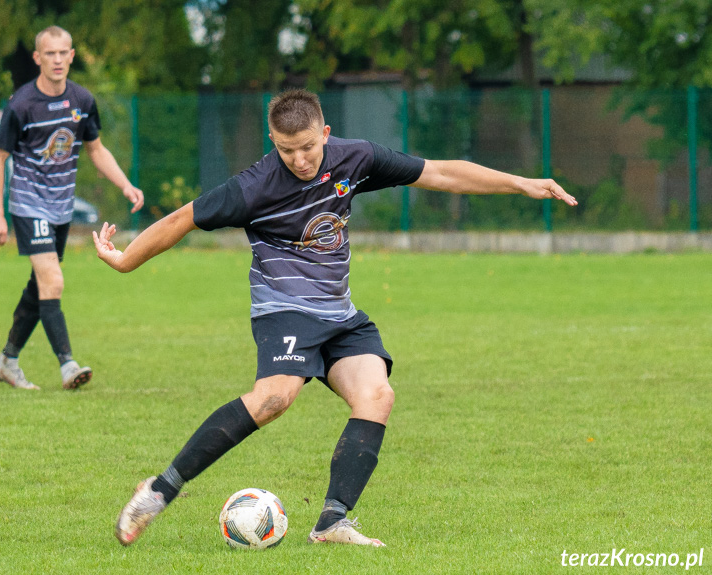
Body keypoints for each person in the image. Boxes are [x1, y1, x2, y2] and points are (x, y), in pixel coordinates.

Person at [93, 89, 577, 546]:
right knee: (274, 399)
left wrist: (520, 184)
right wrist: (125, 259)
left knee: (376, 395)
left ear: (326, 133)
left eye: (307, 147)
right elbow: (182, 219)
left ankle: (332, 521)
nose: (300, 160)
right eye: (287, 151)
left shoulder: (356, 157)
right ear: (273, 142)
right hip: (283, 308)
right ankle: (159, 490)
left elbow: (440, 173)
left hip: (340, 315)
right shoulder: (253, 187)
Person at [0, 25, 144, 390]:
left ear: (72, 56)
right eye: (49, 54)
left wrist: (125, 185)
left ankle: (7, 360)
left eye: (63, 53)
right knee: (53, 281)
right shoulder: (21, 104)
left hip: (61, 208)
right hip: (28, 204)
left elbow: (96, 149)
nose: (57, 60)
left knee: (40, 286)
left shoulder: (83, 101)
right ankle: (68, 365)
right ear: (38, 58)